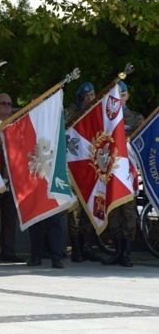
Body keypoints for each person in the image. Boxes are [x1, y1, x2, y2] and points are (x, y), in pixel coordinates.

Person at [102, 80, 144, 267]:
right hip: (110, 171)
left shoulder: (136, 118)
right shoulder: (106, 119)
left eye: (123, 95)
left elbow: (141, 144)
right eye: (117, 95)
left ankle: (126, 252)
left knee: (128, 212)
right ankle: (117, 251)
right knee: (114, 212)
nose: (120, 98)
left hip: (127, 172)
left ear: (127, 96)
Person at [65, 81, 102, 263]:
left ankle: (87, 246)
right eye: (86, 96)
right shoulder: (73, 113)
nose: (90, 98)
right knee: (75, 212)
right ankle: (76, 248)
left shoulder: (98, 113)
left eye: (92, 94)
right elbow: (63, 126)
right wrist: (74, 107)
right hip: (73, 167)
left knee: (90, 208)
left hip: (92, 167)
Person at [0, 93, 24, 263]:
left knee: (10, 217)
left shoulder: (16, 123)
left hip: (12, 176)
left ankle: (8, 251)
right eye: (3, 103)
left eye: (9, 104)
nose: (7, 106)